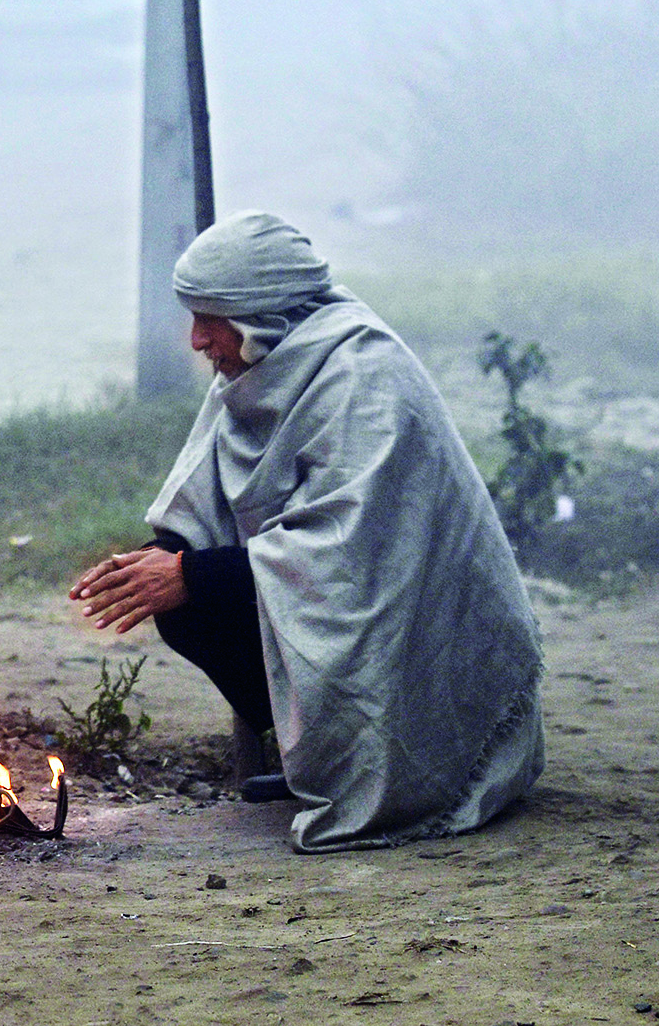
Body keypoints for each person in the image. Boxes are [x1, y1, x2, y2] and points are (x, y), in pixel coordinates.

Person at [70, 211, 544, 852]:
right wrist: (163, 560)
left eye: (210, 318)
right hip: (336, 589)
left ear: (258, 314)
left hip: (415, 624)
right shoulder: (255, 368)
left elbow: (352, 554)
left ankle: (400, 772)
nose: (196, 340)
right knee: (187, 606)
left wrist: (191, 574)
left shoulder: (365, 376)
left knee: (199, 590)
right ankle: (319, 761)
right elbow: (201, 498)